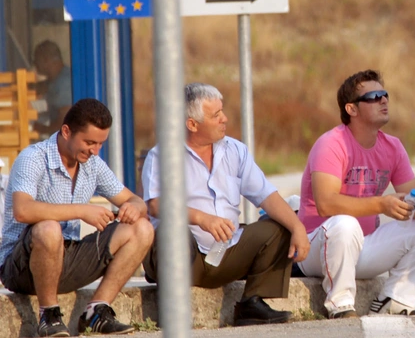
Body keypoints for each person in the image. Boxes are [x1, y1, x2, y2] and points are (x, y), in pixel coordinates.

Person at [140, 84, 310, 327]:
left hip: (227, 252)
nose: (225, 119)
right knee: (172, 231)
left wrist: (298, 227)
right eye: (216, 115)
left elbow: (266, 195)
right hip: (185, 258)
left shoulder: (235, 150)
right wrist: (202, 218)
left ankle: (252, 304)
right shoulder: (162, 155)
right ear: (192, 124)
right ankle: (173, 308)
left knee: (279, 227)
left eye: (222, 111)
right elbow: (155, 205)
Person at [295, 71, 415, 319]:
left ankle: (396, 300)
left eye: (385, 95)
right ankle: (341, 305)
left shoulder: (393, 147)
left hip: (362, 247)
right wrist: (381, 204)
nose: (384, 100)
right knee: (346, 224)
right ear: (351, 109)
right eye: (374, 96)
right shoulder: (331, 144)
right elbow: (326, 204)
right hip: (316, 247)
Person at [0, 99, 154, 336]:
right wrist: (83, 211)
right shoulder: (33, 157)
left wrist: (134, 207)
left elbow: (136, 201)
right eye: (90, 142)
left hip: (67, 258)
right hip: (20, 266)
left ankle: (97, 311)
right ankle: (49, 315)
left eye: (101, 144)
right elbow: (23, 210)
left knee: (142, 228)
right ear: (66, 131)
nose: (95, 150)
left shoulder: (93, 163)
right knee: (49, 229)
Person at [33, 42, 72, 135]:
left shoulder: (64, 83)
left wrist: (40, 129)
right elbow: (41, 87)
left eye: (36, 60)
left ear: (46, 60)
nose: (35, 65)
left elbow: (64, 123)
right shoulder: (55, 80)